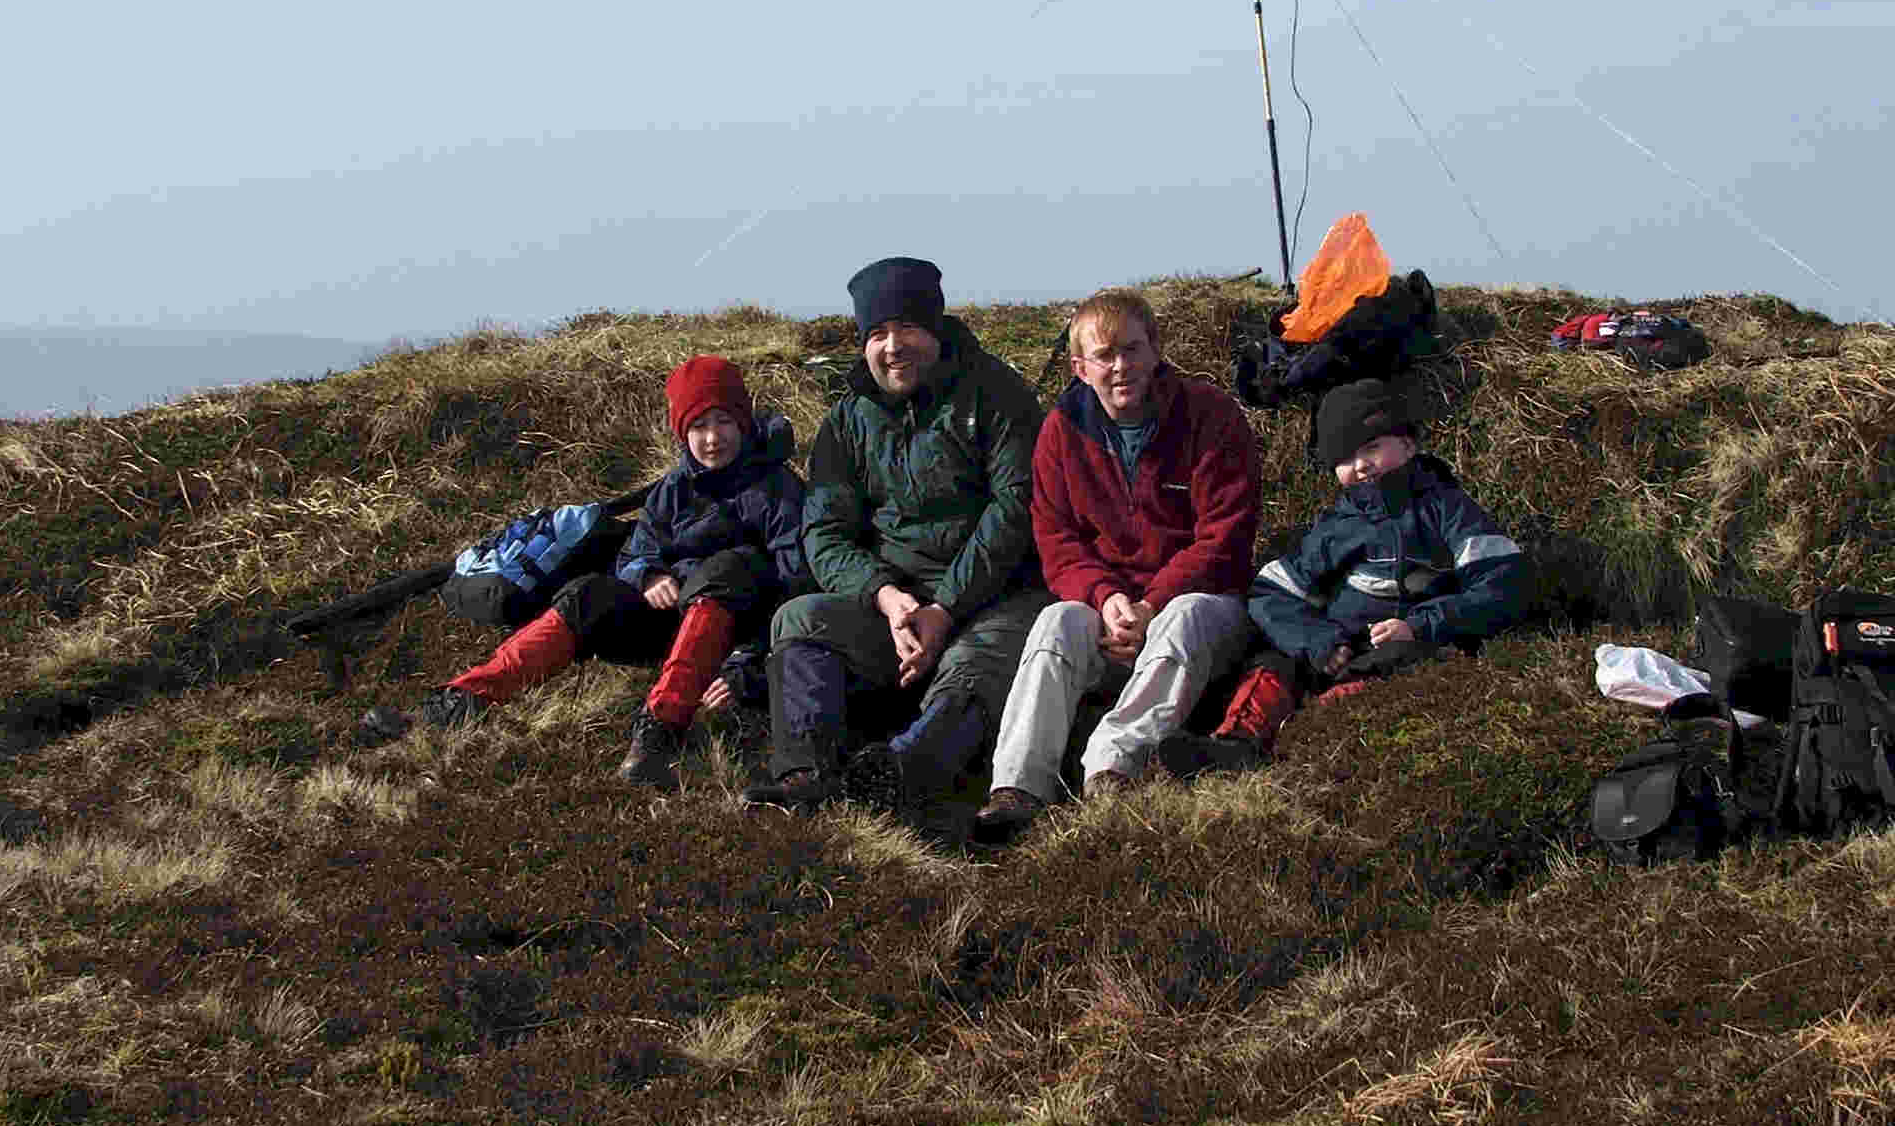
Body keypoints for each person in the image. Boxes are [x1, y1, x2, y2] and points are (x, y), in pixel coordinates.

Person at [361, 355, 807, 788]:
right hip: (672, 621)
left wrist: (747, 663)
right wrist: (648, 577)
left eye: (722, 421)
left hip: (734, 627)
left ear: (743, 421)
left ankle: (657, 733)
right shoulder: (672, 488)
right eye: (698, 426)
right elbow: (635, 553)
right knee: (588, 594)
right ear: (681, 432)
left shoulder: (778, 489)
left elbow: (795, 588)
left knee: (728, 567)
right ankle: (458, 701)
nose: (712, 438)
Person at [742, 257, 1048, 819]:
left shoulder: (998, 395)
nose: (892, 346)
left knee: (980, 661)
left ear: (934, 328)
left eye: (906, 327)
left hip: (991, 599)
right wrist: (886, 597)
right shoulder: (846, 421)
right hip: (894, 611)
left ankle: (906, 771)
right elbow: (825, 532)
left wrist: (946, 608)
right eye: (877, 334)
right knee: (799, 618)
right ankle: (807, 773)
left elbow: (1015, 510)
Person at [970, 289, 1261, 844]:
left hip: (1200, 604)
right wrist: (1104, 598)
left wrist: (1152, 604)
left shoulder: (1210, 416)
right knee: (1057, 622)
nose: (1120, 366)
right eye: (1104, 355)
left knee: (1188, 615)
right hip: (1110, 608)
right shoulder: (1060, 431)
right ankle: (1017, 787)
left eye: (1132, 349)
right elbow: (1055, 538)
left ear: (1156, 351)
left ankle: (1112, 768)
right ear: (1080, 368)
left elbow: (1224, 534)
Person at [1158, 378, 1525, 779]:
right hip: (1337, 649)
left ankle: (1304, 742)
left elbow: (1503, 582)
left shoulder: (1448, 510)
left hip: (1414, 647)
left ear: (1407, 444)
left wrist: (1420, 626)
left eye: (1372, 448)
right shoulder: (1338, 526)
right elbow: (1270, 591)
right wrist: (1317, 641)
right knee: (1274, 662)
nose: (1362, 465)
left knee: (1395, 664)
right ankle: (1235, 743)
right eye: (1346, 458)